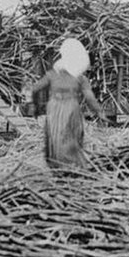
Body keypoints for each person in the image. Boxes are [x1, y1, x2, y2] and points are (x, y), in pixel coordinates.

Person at [30, 38, 103, 170]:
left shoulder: (53, 74)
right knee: (71, 136)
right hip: (71, 108)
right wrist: (98, 111)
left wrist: (35, 106)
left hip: (54, 107)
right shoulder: (80, 77)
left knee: (55, 137)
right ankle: (72, 165)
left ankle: (57, 165)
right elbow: (89, 97)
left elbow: (35, 89)